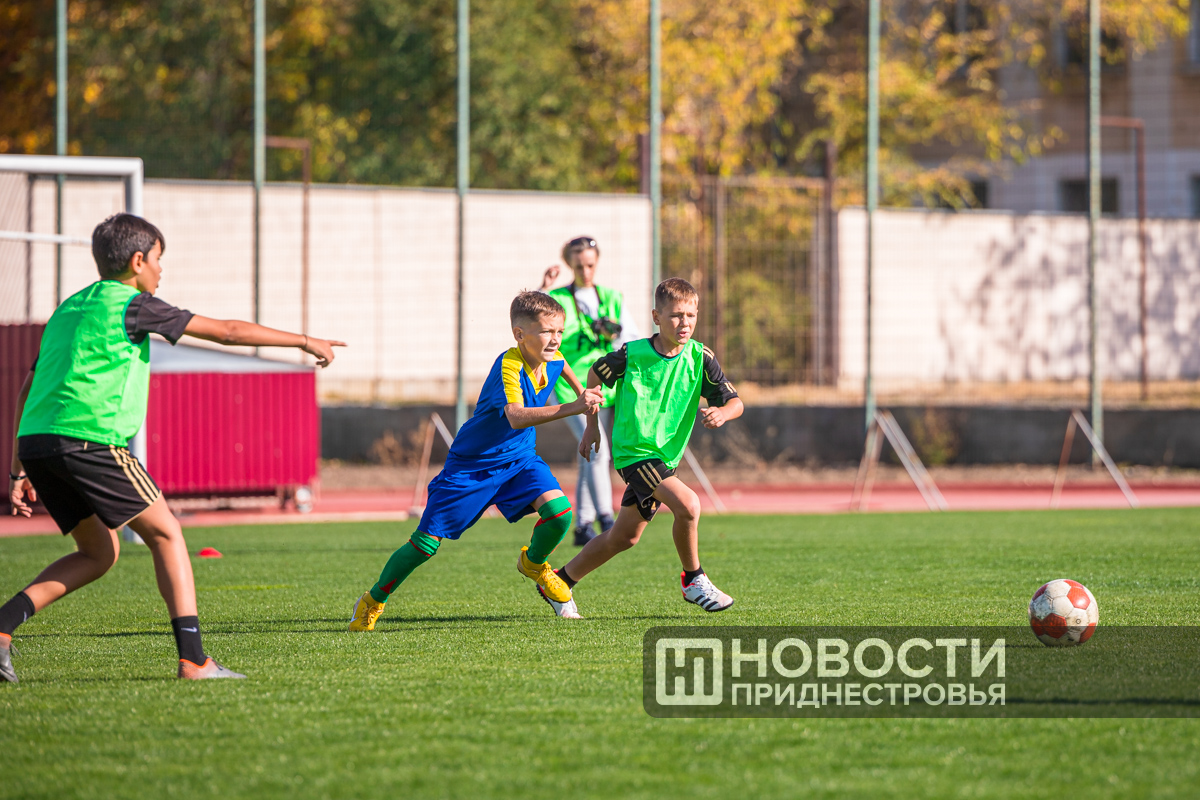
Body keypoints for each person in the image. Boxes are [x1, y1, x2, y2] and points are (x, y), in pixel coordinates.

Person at [3, 213, 344, 684]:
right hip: (90, 441)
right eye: (158, 259)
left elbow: (27, 387)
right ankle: (194, 661)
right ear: (137, 261)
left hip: (39, 443)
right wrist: (305, 341)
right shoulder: (135, 305)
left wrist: (18, 468)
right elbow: (228, 331)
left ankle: (1, 629)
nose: (161, 270)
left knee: (99, 553)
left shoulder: (69, 309)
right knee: (166, 533)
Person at [348, 291, 603, 630]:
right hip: (472, 466)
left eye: (559, 331)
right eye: (546, 331)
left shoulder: (553, 356)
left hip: (520, 460)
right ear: (519, 334)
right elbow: (516, 417)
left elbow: (583, 392)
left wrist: (589, 424)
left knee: (559, 514)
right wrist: (574, 408)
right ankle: (373, 599)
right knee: (425, 545)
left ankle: (535, 564)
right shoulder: (509, 365)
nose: (555, 339)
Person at [535, 278, 743, 618]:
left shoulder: (700, 357)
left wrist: (723, 413)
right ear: (656, 317)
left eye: (691, 315)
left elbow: (735, 402)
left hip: (665, 458)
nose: (684, 323)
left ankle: (560, 580)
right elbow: (594, 375)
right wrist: (592, 426)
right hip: (635, 454)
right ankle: (693, 579)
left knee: (623, 537)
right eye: (675, 315)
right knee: (689, 505)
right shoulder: (632, 354)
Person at [539, 236, 639, 546]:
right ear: (570, 264)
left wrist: (613, 333)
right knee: (598, 449)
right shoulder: (558, 297)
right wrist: (543, 288)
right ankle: (606, 517)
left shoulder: (611, 296)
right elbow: (534, 321)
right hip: (569, 385)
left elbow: (631, 338)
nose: (586, 271)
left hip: (602, 385)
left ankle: (583, 524)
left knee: (589, 450)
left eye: (590, 265)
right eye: (579, 266)